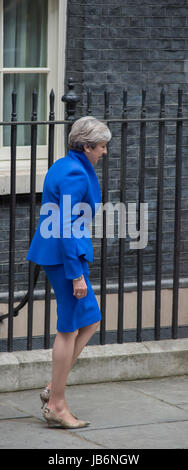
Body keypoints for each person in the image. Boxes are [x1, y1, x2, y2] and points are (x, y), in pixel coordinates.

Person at [26, 116, 112, 429]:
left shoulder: (65, 164)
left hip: (62, 254)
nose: (104, 152)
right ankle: (58, 405)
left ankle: (53, 389)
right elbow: (64, 225)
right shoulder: (76, 173)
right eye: (101, 146)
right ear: (86, 146)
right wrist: (76, 274)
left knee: (90, 319)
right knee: (69, 327)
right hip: (65, 258)